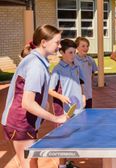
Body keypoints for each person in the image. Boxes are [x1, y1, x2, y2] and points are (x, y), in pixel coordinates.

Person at [1, 24, 68, 168]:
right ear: (44, 42)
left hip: (25, 121)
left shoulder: (36, 60)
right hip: (20, 123)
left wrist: (44, 102)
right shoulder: (36, 65)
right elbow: (27, 103)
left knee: (31, 162)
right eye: (57, 42)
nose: (59, 46)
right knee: (27, 164)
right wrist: (55, 118)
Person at [49, 39, 85, 118]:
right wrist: (61, 97)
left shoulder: (77, 67)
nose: (73, 55)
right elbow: (50, 90)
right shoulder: (57, 69)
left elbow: (80, 82)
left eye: (74, 52)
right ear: (62, 52)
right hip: (65, 110)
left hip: (79, 107)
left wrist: (83, 96)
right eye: (70, 53)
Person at [74, 37, 97, 108]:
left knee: (88, 113)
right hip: (77, 93)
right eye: (83, 46)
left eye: (87, 46)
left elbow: (93, 72)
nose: (86, 48)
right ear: (77, 47)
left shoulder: (90, 60)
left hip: (88, 93)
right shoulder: (73, 60)